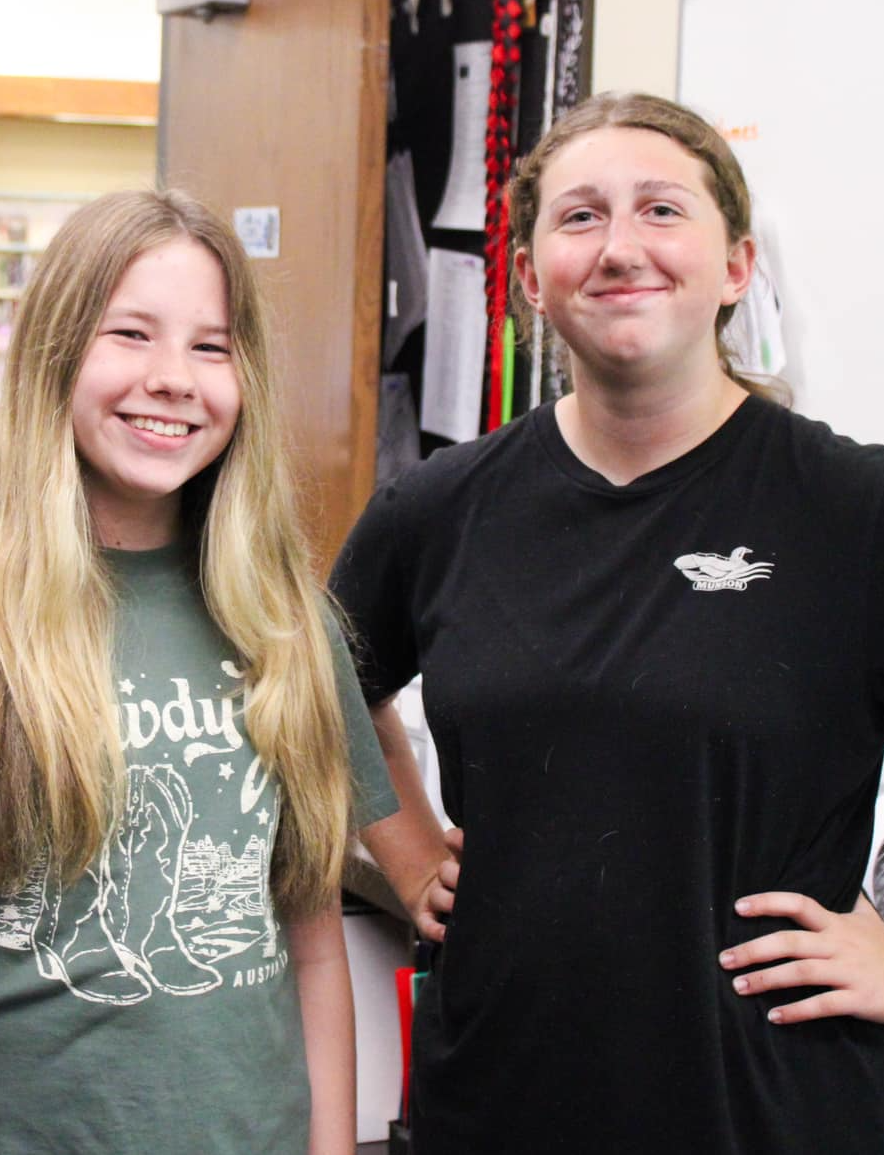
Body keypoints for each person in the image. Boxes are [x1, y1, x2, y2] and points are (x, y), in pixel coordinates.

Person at [329, 91, 884, 1154]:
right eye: (580, 217)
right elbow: (315, 687)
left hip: (771, 1107)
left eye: (662, 211)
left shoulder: (850, 510)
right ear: (532, 278)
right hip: (499, 1097)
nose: (621, 247)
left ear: (735, 267)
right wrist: (404, 857)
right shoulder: (438, 509)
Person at [0, 189, 443, 1155]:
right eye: (130, 334)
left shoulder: (285, 621)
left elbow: (310, 937)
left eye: (210, 347)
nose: (173, 379)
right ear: (51, 354)